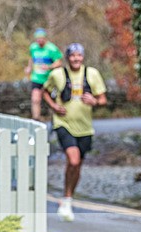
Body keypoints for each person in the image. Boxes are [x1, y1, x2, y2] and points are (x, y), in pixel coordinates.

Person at [43, 43, 107, 221]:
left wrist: (94, 101)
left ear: (83, 57)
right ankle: (66, 197)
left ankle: (67, 198)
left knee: (77, 165)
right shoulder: (57, 74)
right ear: (67, 58)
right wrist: (55, 106)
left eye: (79, 55)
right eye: (72, 56)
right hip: (63, 123)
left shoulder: (92, 74)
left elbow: (103, 99)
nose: (76, 59)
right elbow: (45, 92)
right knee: (73, 159)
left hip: (85, 127)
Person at [25, 28, 63, 122]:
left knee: (52, 100)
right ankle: (36, 119)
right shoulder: (33, 47)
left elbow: (59, 62)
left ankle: (56, 119)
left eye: (41, 38)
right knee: (35, 99)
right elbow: (31, 58)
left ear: (45, 38)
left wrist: (49, 67)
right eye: (37, 39)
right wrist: (29, 67)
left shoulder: (52, 48)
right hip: (37, 78)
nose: (39, 41)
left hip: (49, 79)